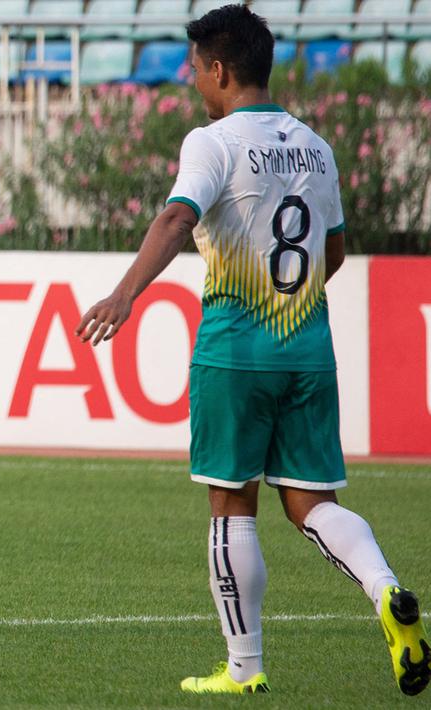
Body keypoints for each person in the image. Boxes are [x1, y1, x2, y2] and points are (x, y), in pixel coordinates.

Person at [75, 5, 428, 696]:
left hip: (234, 350)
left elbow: (177, 217)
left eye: (195, 70)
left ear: (219, 69)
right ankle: (386, 589)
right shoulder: (316, 147)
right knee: (311, 502)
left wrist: (124, 294)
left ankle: (243, 668)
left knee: (231, 502)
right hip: (308, 350)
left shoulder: (212, 142)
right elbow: (333, 251)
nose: (192, 82)